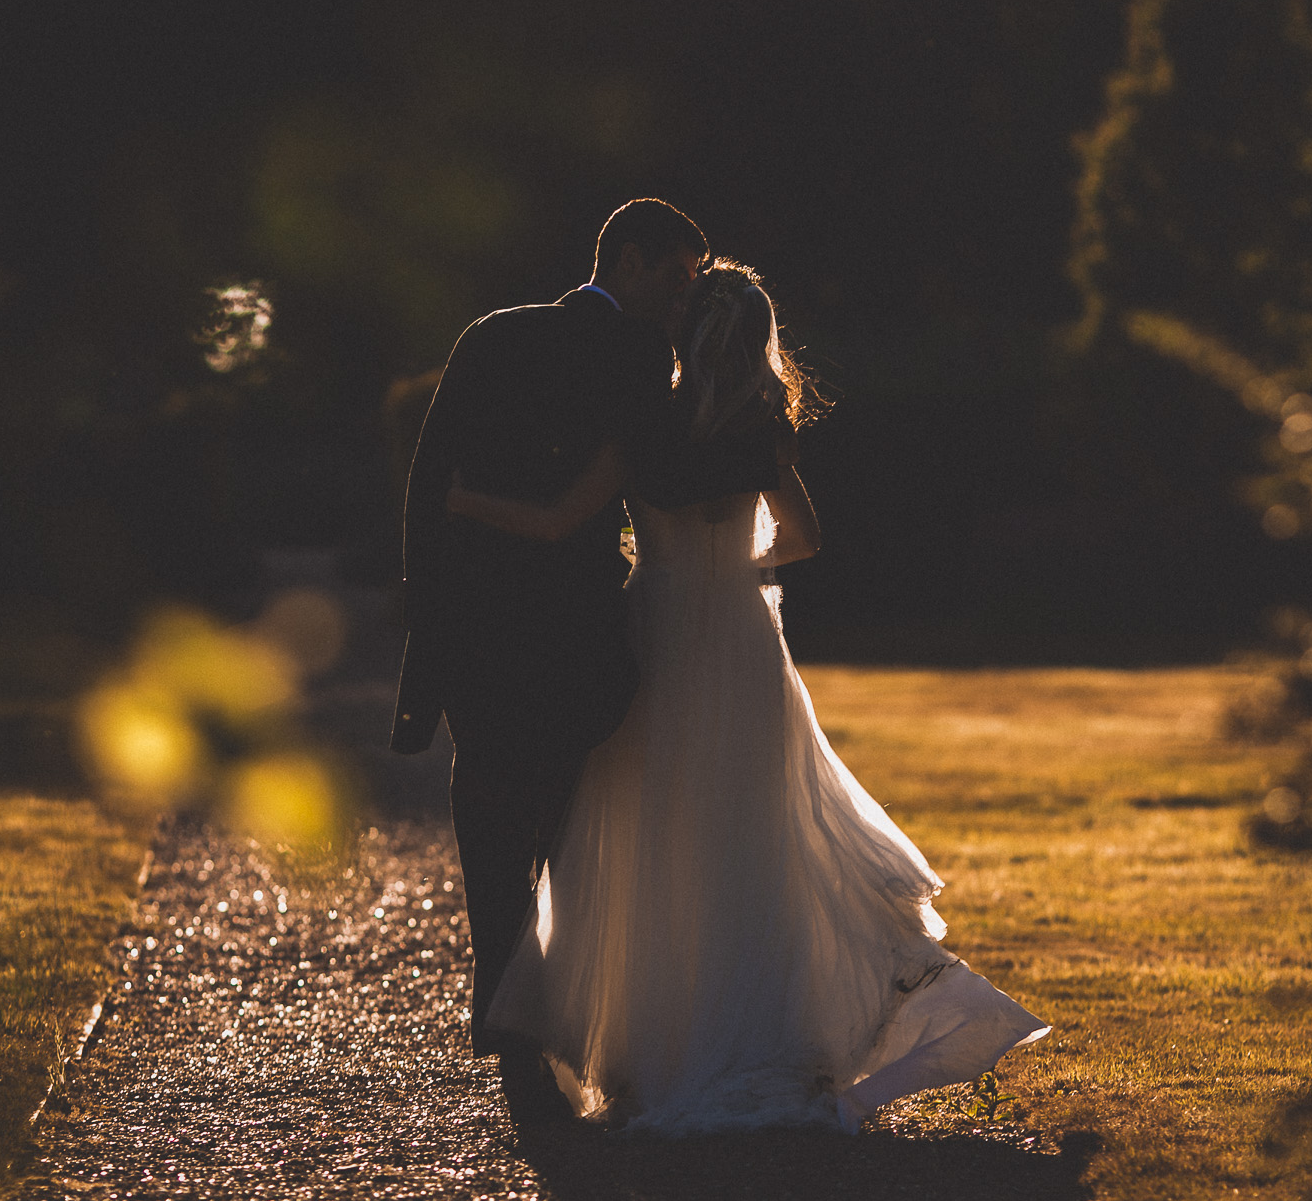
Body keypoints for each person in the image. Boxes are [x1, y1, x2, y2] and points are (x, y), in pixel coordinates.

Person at [446, 261, 1048, 1134]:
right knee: (748, 845)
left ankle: (643, 1052)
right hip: (739, 641)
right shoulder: (764, 430)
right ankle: (760, 1037)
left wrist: (466, 500)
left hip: (652, 636)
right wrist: (733, 576)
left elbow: (552, 522)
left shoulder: (642, 428)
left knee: (645, 837)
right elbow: (803, 540)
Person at [391, 200, 780, 1116]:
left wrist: (431, 630)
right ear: (635, 261)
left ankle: (515, 1026)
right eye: (682, 275)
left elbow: (426, 488)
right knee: (566, 842)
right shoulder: (639, 360)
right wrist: (761, 448)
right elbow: (658, 482)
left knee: (493, 836)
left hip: (484, 639)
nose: (688, 297)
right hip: (572, 641)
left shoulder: (491, 335)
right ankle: (554, 1021)